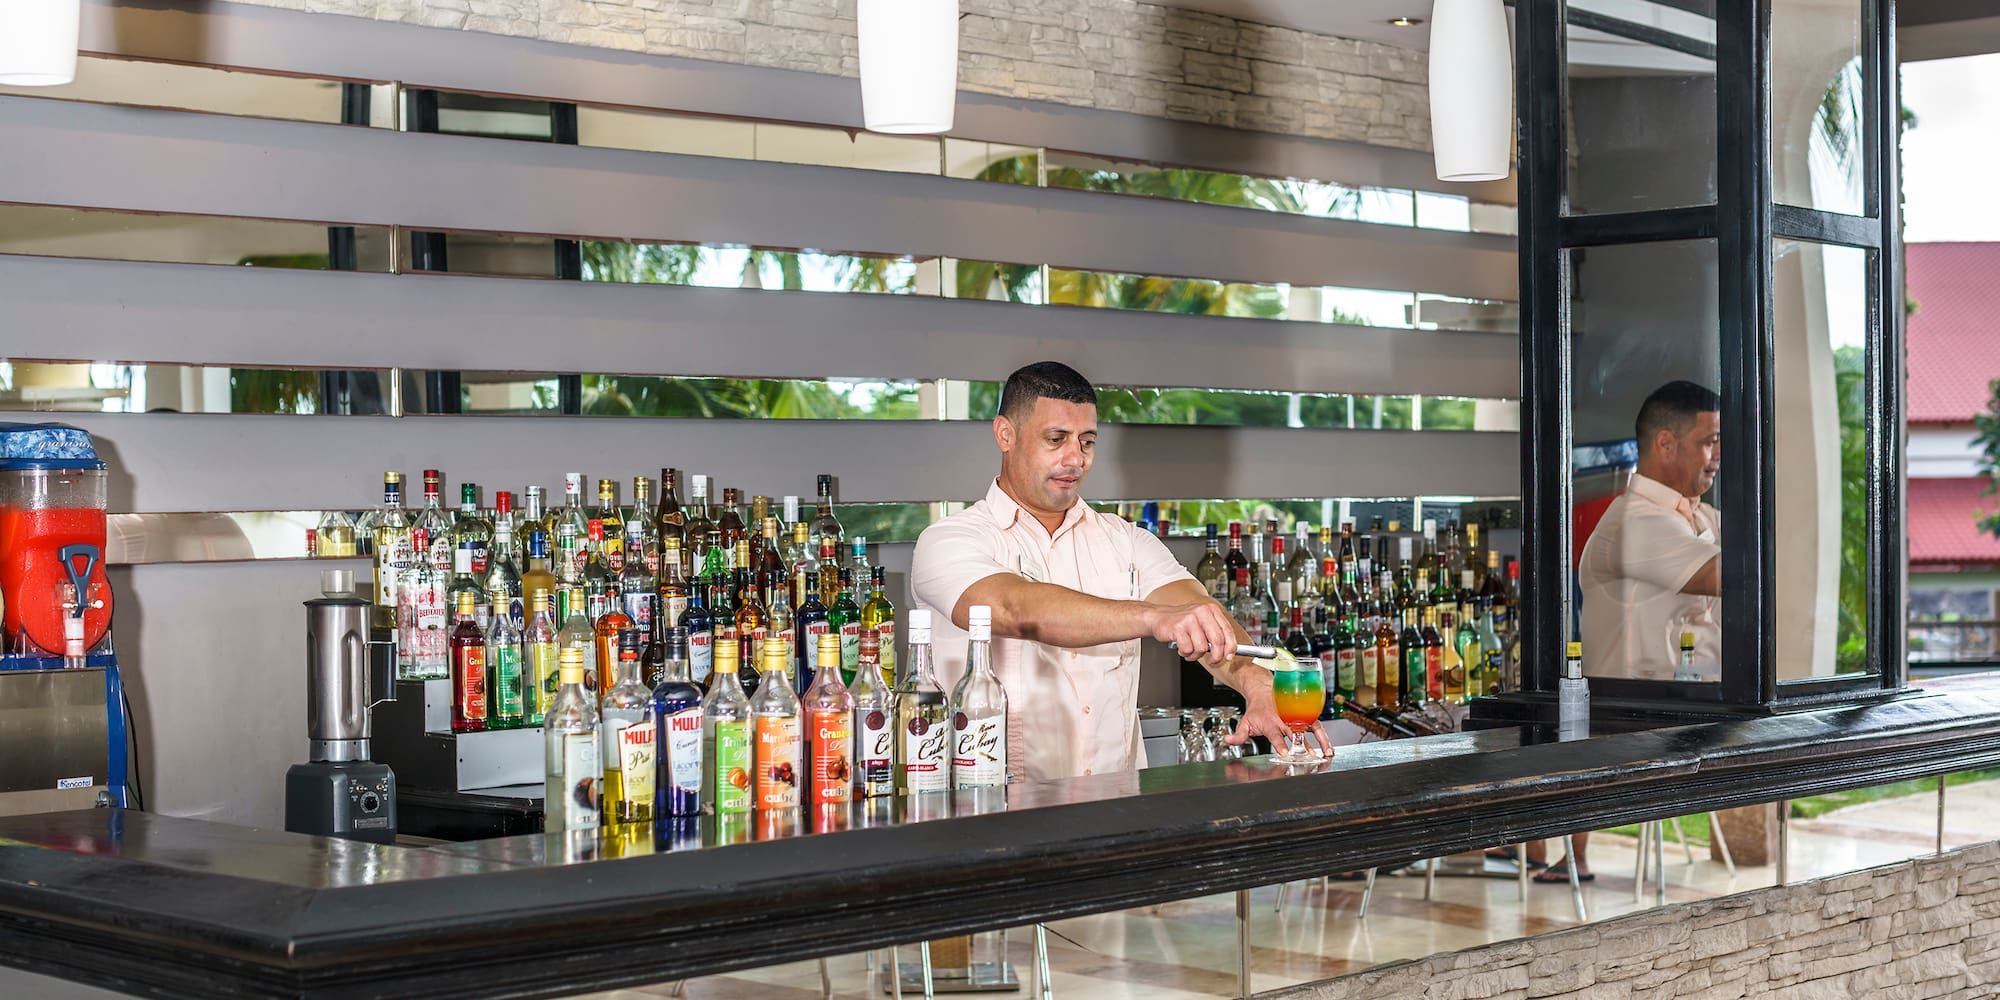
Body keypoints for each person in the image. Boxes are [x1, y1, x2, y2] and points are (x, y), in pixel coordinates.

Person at [910, 361, 1324, 784]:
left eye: (1087, 442)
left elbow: (1198, 611)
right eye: (1056, 439)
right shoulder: (948, 541)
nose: (1076, 459)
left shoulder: (1127, 541)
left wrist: (1255, 683)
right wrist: (1153, 617)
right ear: (1005, 434)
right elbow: (1013, 607)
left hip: (1117, 813)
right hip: (993, 818)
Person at [1539, 379, 1721, 884]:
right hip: (1633, 720)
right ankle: (1571, 854)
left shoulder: (1699, 515)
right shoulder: (1636, 522)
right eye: (1709, 441)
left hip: (1690, 702)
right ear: (1666, 444)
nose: (1717, 456)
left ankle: (1571, 855)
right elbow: (1734, 577)